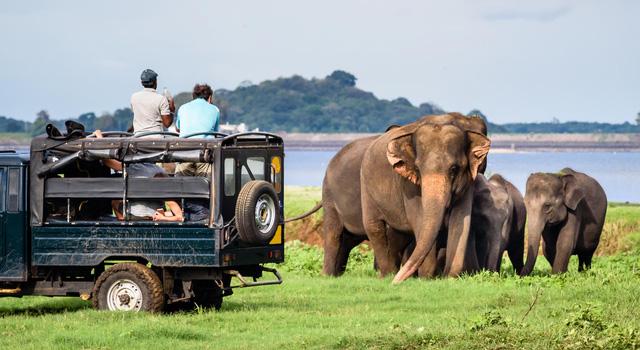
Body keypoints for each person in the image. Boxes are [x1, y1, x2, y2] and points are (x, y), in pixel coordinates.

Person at [94, 130, 183, 222]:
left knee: (115, 200)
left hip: (136, 216)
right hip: (150, 215)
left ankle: (121, 218)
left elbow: (107, 161)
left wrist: (99, 138)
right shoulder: (159, 170)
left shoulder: (135, 168)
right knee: (116, 201)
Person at [174, 83, 219, 177]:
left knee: (181, 186)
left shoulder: (183, 108)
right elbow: (215, 133)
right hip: (204, 152)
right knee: (206, 186)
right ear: (210, 97)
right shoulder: (215, 109)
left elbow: (178, 129)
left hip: (184, 152)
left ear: (193, 96)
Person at [131, 69, 175, 135]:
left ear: (142, 82)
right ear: (155, 82)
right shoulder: (161, 99)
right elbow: (167, 124)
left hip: (138, 137)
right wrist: (172, 111)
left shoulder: (134, 97)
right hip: (156, 138)